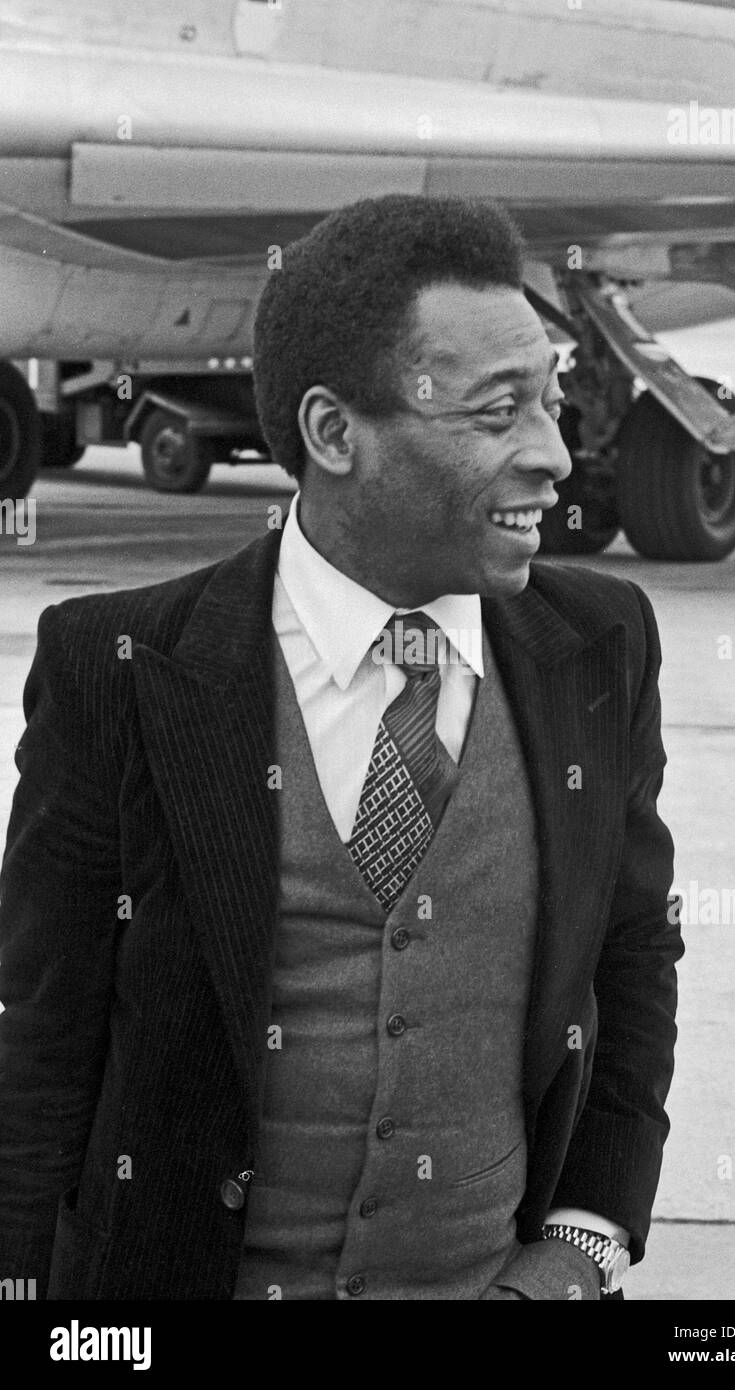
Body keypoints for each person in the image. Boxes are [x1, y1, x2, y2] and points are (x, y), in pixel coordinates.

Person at [0, 195, 683, 1300]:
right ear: (333, 433)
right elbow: (39, 1042)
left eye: (549, 403)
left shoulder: (598, 646)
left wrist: (585, 1236)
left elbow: (632, 954)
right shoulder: (116, 666)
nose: (554, 455)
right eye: (496, 411)